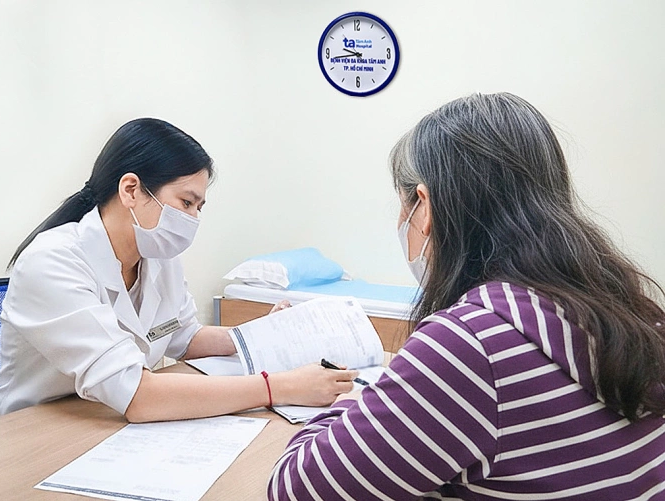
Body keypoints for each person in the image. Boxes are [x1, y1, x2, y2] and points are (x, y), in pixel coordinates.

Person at [268, 93, 665, 500]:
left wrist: (359, 400)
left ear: (423, 206)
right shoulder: (630, 309)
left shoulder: (471, 346)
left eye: (403, 205)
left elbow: (296, 490)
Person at [0, 118, 357, 422]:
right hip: (28, 433)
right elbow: (137, 395)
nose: (193, 219)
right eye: (186, 202)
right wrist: (279, 387)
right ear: (131, 190)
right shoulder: (53, 261)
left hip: (98, 422)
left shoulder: (157, 255)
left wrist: (264, 333)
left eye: (199, 207)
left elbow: (183, 337)